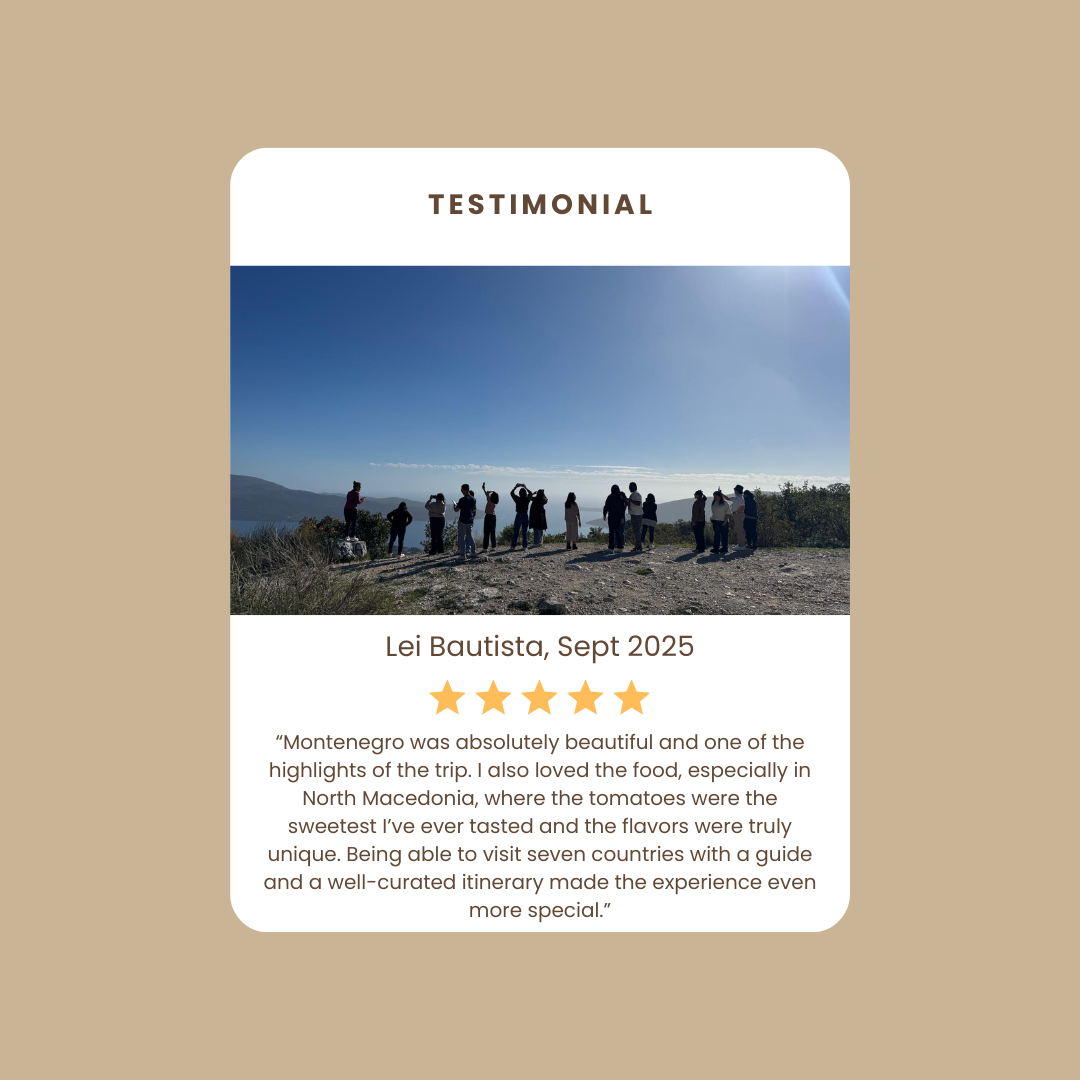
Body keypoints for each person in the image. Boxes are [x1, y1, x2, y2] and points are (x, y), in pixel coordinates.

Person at [453, 483, 477, 557]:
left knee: (461, 537)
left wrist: (455, 505)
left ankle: (462, 555)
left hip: (463, 520)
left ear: (464, 490)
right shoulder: (473, 499)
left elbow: (456, 510)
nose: (461, 492)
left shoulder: (462, 499)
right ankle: (473, 552)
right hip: (470, 520)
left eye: (462, 490)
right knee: (470, 536)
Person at [510, 483, 533, 550]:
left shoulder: (517, 499)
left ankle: (513, 546)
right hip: (525, 515)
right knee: (524, 532)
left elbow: (511, 493)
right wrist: (526, 487)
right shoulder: (527, 499)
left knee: (516, 531)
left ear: (519, 493)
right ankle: (524, 546)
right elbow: (531, 493)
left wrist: (515, 487)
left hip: (519, 515)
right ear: (525, 493)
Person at [603, 485, 626, 550]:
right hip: (618, 516)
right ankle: (620, 546)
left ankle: (611, 547)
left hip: (611, 516)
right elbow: (623, 508)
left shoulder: (610, 497)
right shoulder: (620, 497)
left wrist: (604, 515)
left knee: (611, 532)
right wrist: (622, 517)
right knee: (617, 532)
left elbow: (606, 506)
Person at [710, 490, 731, 554]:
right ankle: (716, 548)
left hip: (723, 521)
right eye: (714, 496)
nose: (715, 497)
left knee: (724, 535)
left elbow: (728, 513)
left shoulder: (725, 503)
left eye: (716, 496)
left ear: (720, 496)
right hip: (715, 521)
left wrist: (725, 521)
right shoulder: (714, 503)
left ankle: (724, 548)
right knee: (716, 535)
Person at [481, 483, 500, 551]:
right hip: (493, 517)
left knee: (486, 532)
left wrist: (492, 490)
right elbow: (487, 493)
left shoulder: (489, 500)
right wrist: (484, 488)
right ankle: (493, 546)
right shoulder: (494, 502)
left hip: (488, 516)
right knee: (493, 532)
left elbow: (487, 492)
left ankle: (485, 548)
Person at [627, 481, 644, 550]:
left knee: (636, 530)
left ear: (633, 487)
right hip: (634, 513)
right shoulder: (633, 494)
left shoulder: (637, 494)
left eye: (630, 487)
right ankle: (638, 545)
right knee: (635, 530)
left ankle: (639, 546)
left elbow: (638, 503)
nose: (629, 488)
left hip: (637, 514)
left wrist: (630, 500)